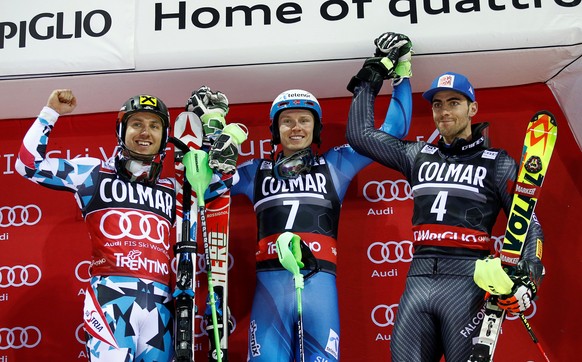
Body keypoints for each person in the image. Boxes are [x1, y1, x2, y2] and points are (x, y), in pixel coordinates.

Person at [210, 32, 412, 362]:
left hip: (319, 286)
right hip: (269, 291)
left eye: (304, 120)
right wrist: (215, 141)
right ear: (275, 130)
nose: (296, 128)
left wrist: (401, 72)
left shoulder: (337, 164)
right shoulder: (254, 171)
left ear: (315, 129)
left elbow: (394, 131)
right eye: (286, 121)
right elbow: (205, 191)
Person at [15, 89, 237, 361]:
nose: (146, 132)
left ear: (165, 137)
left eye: (155, 126)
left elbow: (222, 185)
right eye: (137, 124)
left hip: (161, 306)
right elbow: (28, 164)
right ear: (121, 130)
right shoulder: (93, 175)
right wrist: (50, 113)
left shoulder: (174, 189)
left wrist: (217, 134)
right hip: (110, 299)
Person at [346, 62, 545, 360]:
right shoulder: (416, 155)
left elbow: (527, 223)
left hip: (467, 283)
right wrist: (372, 74)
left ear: (472, 108)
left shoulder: (497, 162)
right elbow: (360, 135)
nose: (444, 111)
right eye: (438, 104)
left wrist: (529, 277)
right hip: (419, 278)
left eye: (454, 102)